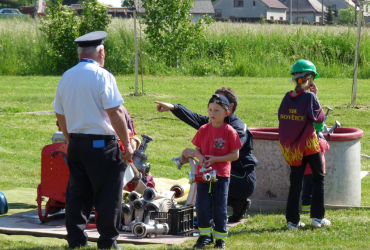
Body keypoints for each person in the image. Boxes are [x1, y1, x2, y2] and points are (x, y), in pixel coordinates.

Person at [53, 31, 134, 249]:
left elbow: (59, 115)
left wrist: (71, 140)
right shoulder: (102, 76)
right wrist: (127, 144)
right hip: (102, 145)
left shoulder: (66, 76)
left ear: (80, 53)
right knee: (108, 195)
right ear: (101, 52)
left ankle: (76, 241)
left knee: (78, 194)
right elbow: (115, 112)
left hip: (77, 143)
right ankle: (107, 242)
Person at [155, 87, 258, 222]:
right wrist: (174, 107)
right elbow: (195, 118)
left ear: (229, 107)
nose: (214, 104)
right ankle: (237, 204)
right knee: (209, 171)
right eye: (211, 106)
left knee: (209, 172)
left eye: (219, 102)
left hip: (243, 179)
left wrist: (197, 153)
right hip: (229, 175)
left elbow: (228, 151)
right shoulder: (216, 121)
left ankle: (209, 216)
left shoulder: (237, 127)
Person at [278, 59, 331, 230]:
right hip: (309, 145)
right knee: (318, 178)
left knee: (296, 183)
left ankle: (292, 222)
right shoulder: (309, 97)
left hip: (293, 149)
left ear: (295, 78)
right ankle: (317, 218)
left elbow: (282, 118)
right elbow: (319, 121)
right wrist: (316, 98)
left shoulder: (287, 97)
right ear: (309, 79)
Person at [191, 94, 242, 249]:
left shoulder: (229, 131)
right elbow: (197, 150)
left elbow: (235, 154)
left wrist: (215, 159)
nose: (212, 113)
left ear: (226, 112)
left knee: (220, 206)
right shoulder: (203, 129)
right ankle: (205, 236)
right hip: (203, 174)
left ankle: (220, 238)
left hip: (221, 175)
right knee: (201, 205)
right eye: (210, 109)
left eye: (217, 110)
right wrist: (200, 158)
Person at [302, 125, 330, 213]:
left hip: (306, 171)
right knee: (317, 190)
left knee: (306, 190)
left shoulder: (305, 141)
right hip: (319, 171)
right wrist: (322, 135)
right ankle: (316, 207)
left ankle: (305, 207)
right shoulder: (320, 141)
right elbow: (327, 147)